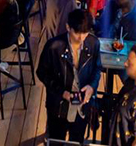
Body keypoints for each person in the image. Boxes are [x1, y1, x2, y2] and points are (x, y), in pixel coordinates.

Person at [37, 9, 101, 143]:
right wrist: (62, 92)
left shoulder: (93, 43)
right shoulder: (53, 46)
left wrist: (91, 87)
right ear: (67, 27)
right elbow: (41, 72)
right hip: (59, 105)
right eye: (77, 32)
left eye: (85, 32)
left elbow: (97, 68)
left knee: (77, 141)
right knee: (56, 140)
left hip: (82, 104)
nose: (81, 37)